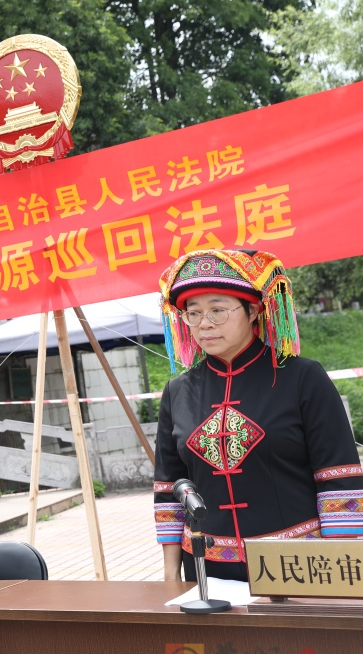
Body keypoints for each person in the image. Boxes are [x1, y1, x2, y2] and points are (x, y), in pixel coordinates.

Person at [154, 249, 363, 582]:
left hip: (296, 564)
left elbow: (338, 480)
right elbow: (168, 489)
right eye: (193, 313)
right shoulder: (178, 391)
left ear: (253, 310)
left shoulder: (301, 377)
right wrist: (170, 576)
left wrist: (340, 568)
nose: (204, 324)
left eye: (218, 310)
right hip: (208, 569)